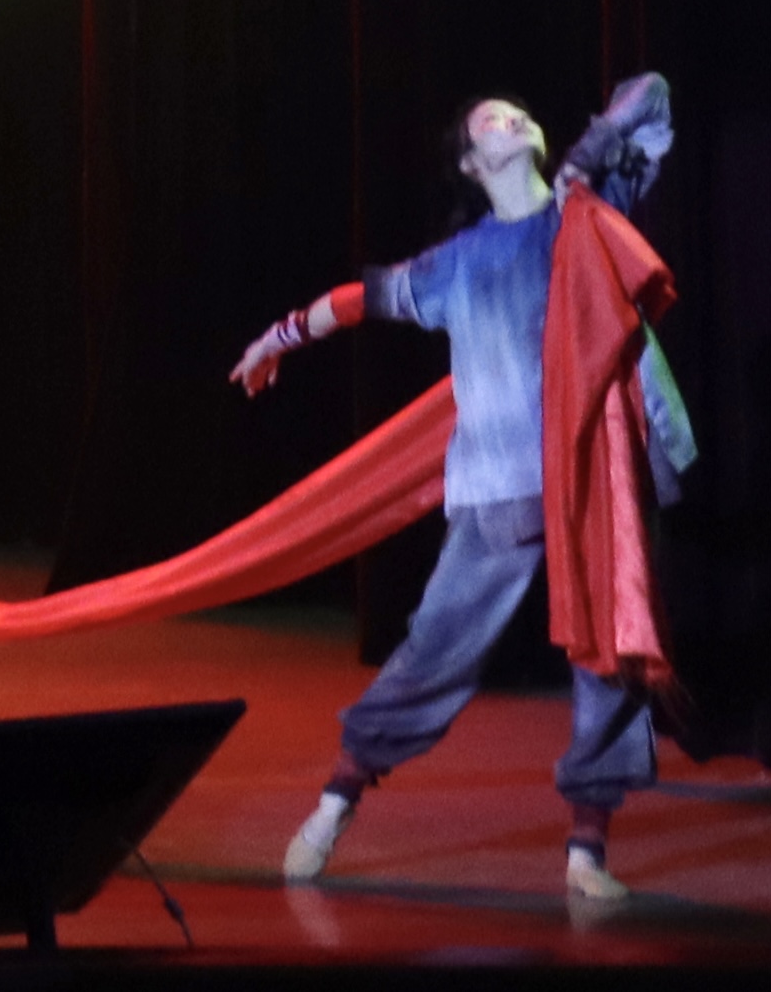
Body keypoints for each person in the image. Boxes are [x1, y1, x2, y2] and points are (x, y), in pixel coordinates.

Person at [233, 74, 689, 905]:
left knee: (613, 657)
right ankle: (337, 799)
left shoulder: (587, 209)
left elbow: (650, 96)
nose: (512, 119)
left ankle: (587, 848)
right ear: (474, 164)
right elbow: (363, 300)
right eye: (491, 121)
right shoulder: (460, 261)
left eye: (518, 113)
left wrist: (588, 155)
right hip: (498, 487)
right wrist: (278, 336)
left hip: (600, 481)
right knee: (435, 648)